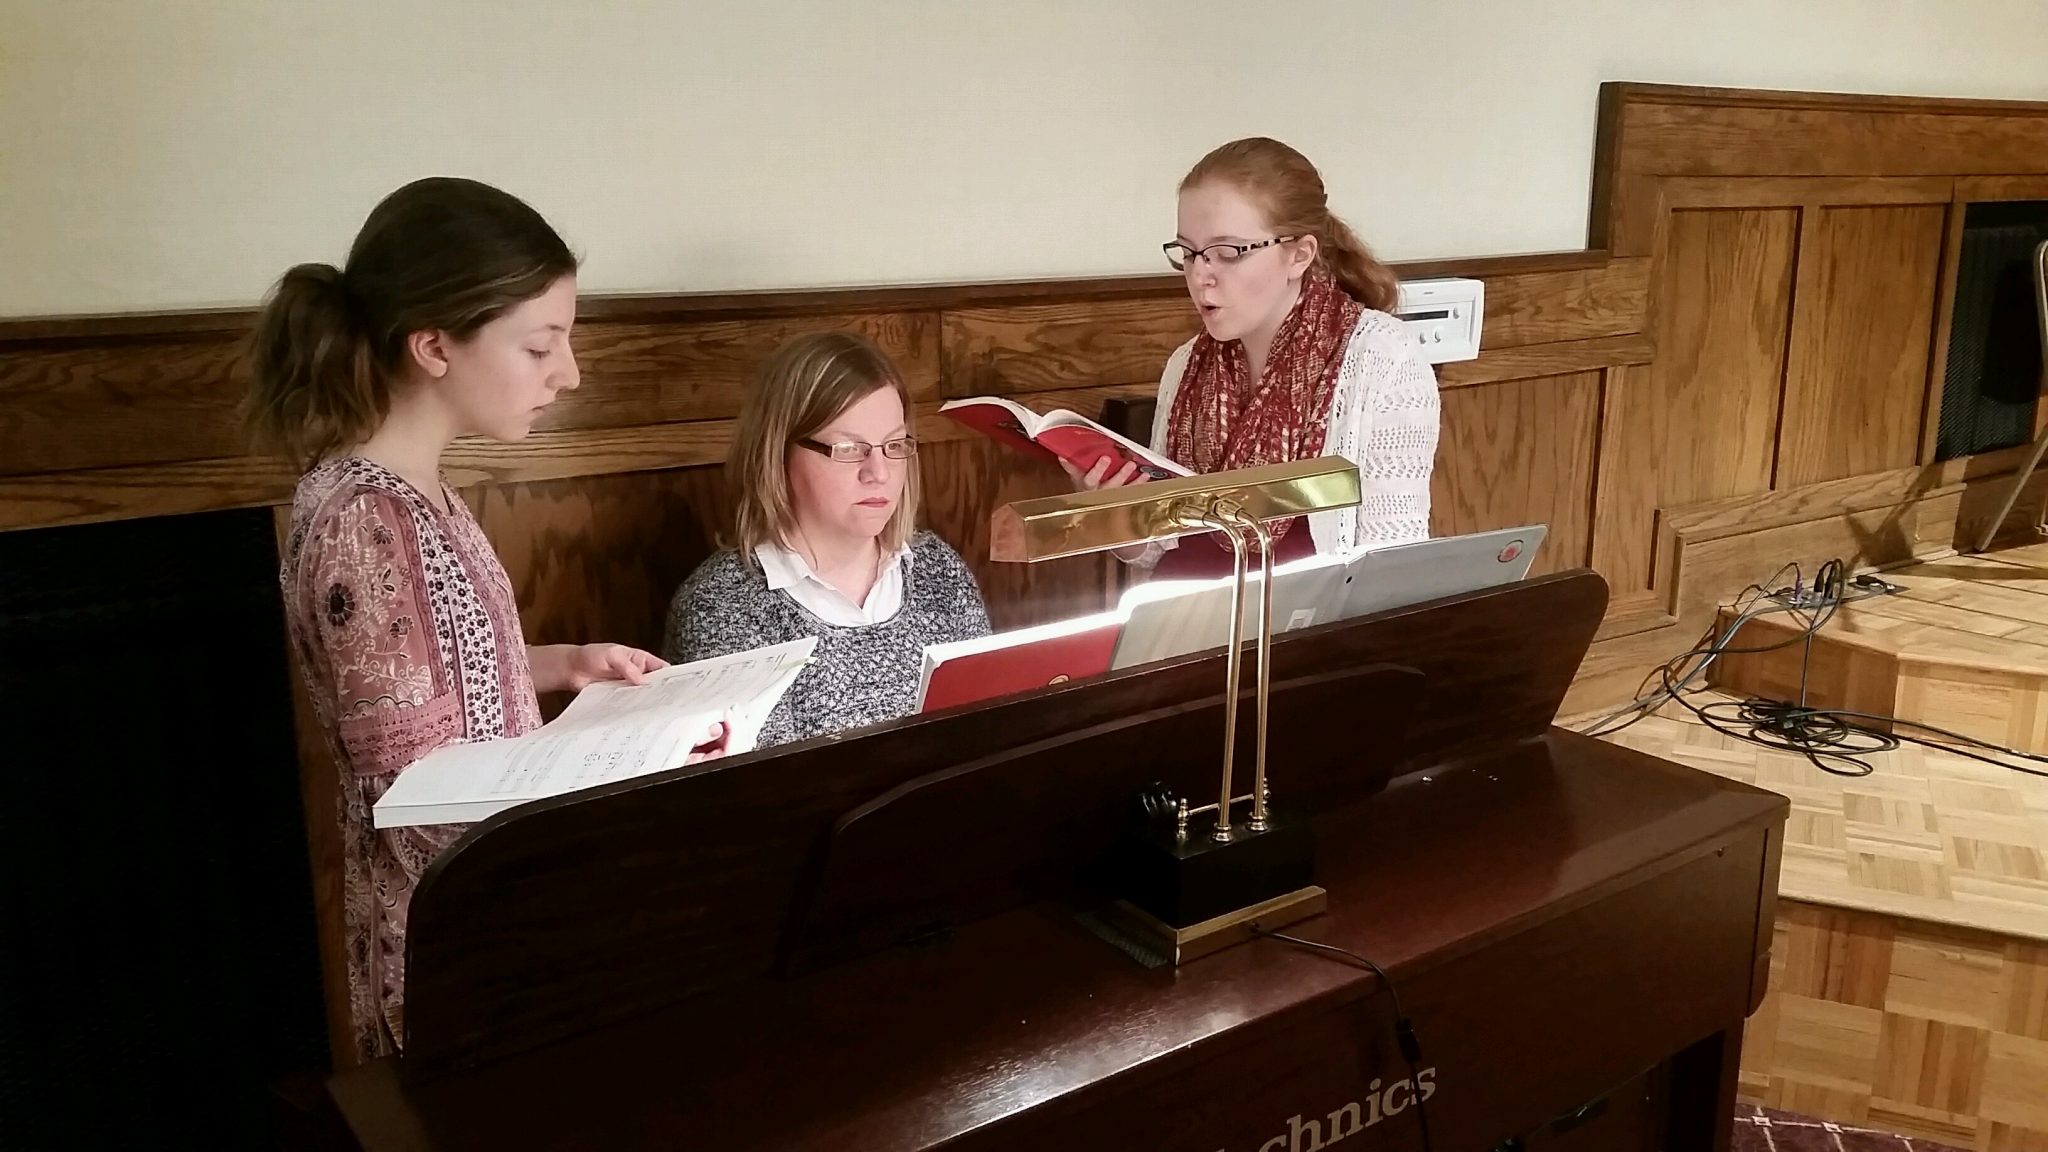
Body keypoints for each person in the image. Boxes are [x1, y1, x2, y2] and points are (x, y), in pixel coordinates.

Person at [247, 176, 723, 1060]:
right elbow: (418, 789)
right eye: (541, 346)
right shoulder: (365, 519)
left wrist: (564, 664)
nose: (568, 373)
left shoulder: (415, 493)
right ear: (433, 344)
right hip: (454, 945)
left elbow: (424, 675)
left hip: (496, 920)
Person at [1067, 137, 1441, 578]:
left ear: (1299, 255)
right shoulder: (1186, 364)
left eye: (1228, 253)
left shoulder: (1381, 357)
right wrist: (1114, 516)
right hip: (1181, 627)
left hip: (1300, 635)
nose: (1201, 277)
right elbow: (1156, 552)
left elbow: (1391, 569)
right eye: (1188, 254)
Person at [663, 332, 992, 746]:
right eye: (849, 449)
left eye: (894, 445)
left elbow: (988, 734)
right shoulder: (717, 606)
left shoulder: (937, 568)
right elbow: (764, 795)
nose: (879, 472)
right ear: (779, 453)